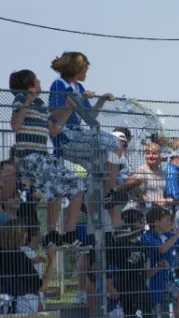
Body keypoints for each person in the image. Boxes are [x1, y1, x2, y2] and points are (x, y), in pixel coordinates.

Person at [9, 69, 87, 248]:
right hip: (30, 158)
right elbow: (15, 124)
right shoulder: (21, 99)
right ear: (29, 85)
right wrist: (27, 100)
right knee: (59, 188)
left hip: (43, 158)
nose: (40, 82)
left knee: (77, 186)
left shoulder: (40, 105)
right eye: (36, 80)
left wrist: (69, 110)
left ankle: (66, 233)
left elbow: (53, 130)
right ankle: (52, 233)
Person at [48, 52, 126, 209]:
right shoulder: (59, 84)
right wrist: (80, 98)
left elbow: (89, 116)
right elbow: (54, 113)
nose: (87, 71)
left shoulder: (79, 87)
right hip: (67, 139)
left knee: (99, 168)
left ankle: (98, 209)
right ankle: (112, 191)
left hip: (78, 137)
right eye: (85, 68)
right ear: (76, 68)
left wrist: (101, 99)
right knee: (116, 142)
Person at [0, 219, 56, 314]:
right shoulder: (20, 257)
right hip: (20, 310)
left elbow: (11, 266)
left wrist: (30, 262)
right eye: (25, 231)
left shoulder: (4, 254)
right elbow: (41, 287)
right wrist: (52, 260)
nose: (26, 234)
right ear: (19, 236)